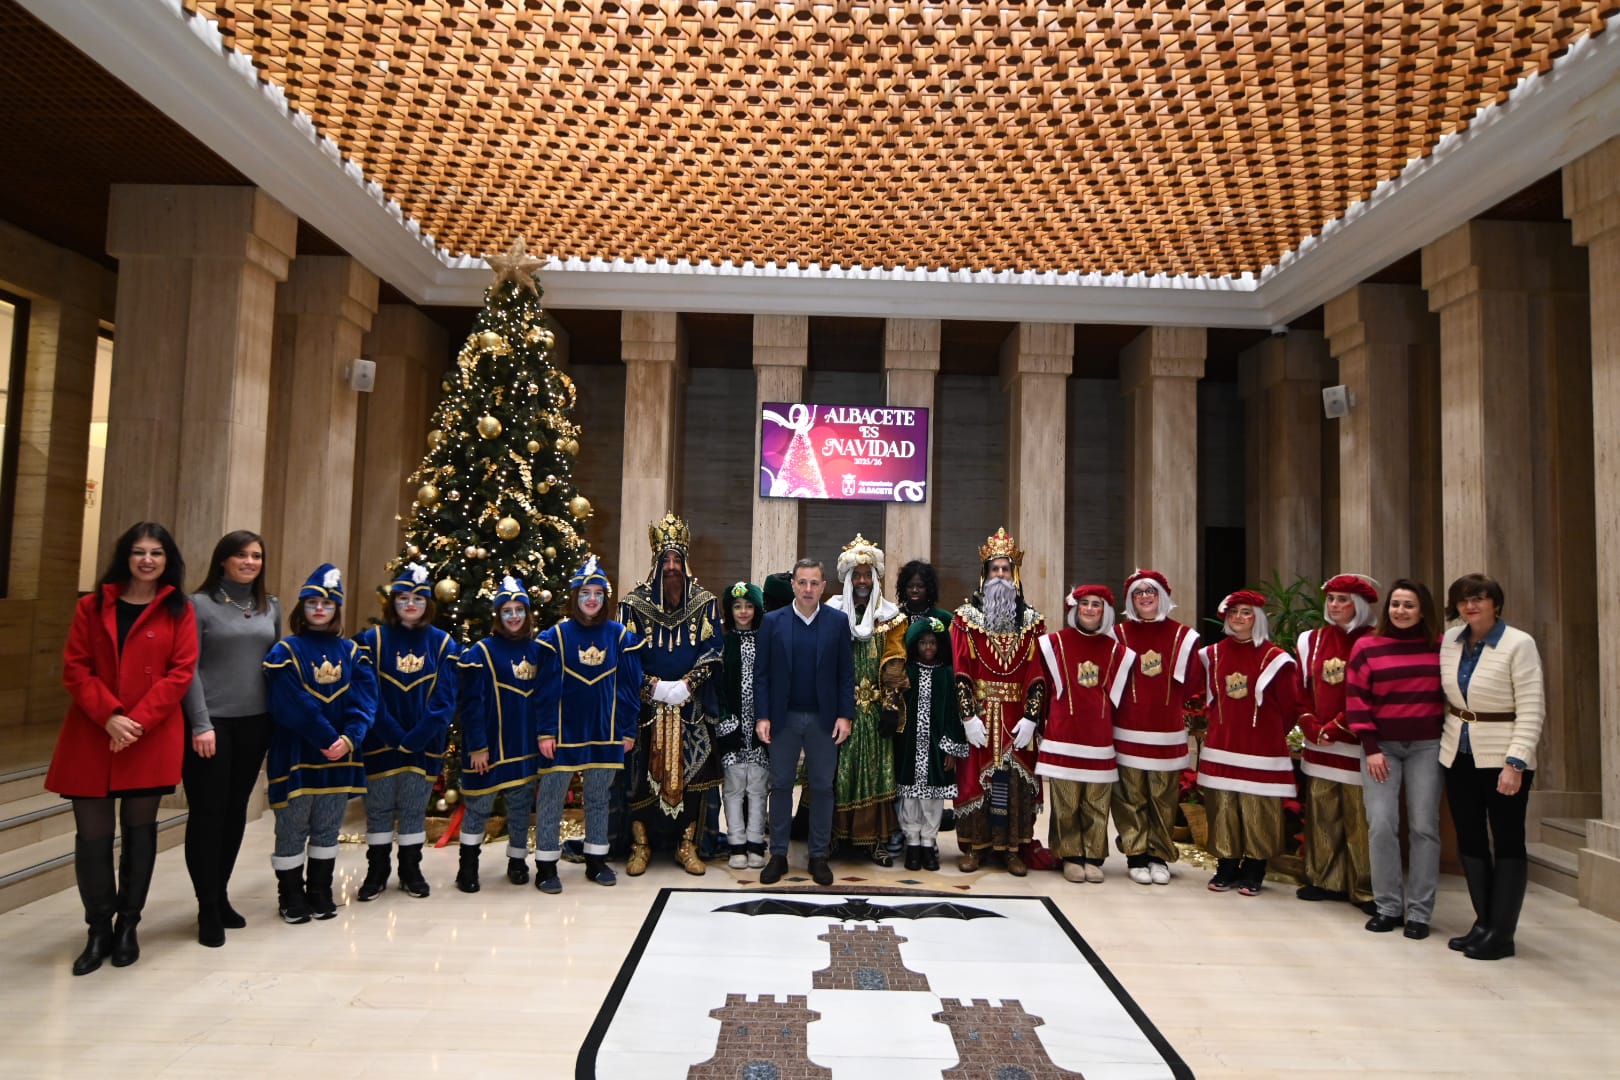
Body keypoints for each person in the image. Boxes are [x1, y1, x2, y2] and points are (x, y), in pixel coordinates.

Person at [48, 522, 197, 975]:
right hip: (93, 733)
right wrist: (111, 715)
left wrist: (136, 722)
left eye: (156, 552)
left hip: (147, 737)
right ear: (125, 557)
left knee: (139, 834)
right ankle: (98, 928)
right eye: (138, 552)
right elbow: (75, 668)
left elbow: (182, 671)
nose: (147, 560)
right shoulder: (91, 606)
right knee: (92, 839)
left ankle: (129, 925)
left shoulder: (179, 609)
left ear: (167, 560)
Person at [1439, 573, 1545, 961]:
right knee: (1469, 838)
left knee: (1508, 838)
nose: (1472, 606)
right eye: (1465, 600)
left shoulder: (1519, 643)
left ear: (1495, 604)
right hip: (1458, 754)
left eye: (1480, 599)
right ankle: (1483, 923)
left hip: (1503, 757)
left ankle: (1502, 933)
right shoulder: (1451, 641)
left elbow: (1532, 707)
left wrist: (1515, 762)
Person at [181, 529, 279, 947]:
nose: (249, 562)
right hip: (212, 725)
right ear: (222, 560)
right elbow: (188, 669)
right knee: (208, 814)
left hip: (255, 723)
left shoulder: (269, 606)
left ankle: (220, 893)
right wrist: (200, 723)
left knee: (235, 811)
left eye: (256, 555)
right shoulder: (197, 605)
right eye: (240, 555)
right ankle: (205, 905)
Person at [263, 564, 376, 924]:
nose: (319, 610)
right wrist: (328, 737)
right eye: (312, 603)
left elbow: (365, 700)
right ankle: (290, 894)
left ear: (336, 610)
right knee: (293, 826)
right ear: (302, 608)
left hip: (339, 756)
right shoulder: (285, 651)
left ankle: (320, 890)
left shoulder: (352, 652)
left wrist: (350, 738)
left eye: (326, 604)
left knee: (329, 827)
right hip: (297, 754)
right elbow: (290, 702)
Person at [616, 513, 724, 876]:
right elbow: (625, 656)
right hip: (646, 710)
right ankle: (640, 844)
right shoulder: (633, 605)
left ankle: (687, 844)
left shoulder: (705, 603)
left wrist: (687, 685)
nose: (673, 567)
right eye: (667, 560)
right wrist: (654, 687)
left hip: (690, 710)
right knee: (639, 778)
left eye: (678, 559)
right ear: (656, 563)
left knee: (694, 778)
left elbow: (714, 650)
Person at [533, 556, 644, 892]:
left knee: (598, 798)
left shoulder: (621, 636)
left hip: (605, 733)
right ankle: (546, 865)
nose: (592, 599)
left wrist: (626, 730)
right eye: (585, 593)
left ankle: (596, 861)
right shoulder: (556, 636)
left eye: (597, 593)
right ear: (575, 597)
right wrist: (546, 731)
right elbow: (546, 690)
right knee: (551, 799)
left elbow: (628, 688)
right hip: (563, 736)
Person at [1345, 579, 1445, 940]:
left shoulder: (1440, 647)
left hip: (1427, 747)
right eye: (1396, 604)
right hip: (1381, 749)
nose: (1400, 611)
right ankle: (1388, 906)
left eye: (1409, 605)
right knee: (1382, 824)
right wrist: (1371, 747)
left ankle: (1419, 911)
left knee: (1423, 827)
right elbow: (1356, 699)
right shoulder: (1367, 647)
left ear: (1423, 611)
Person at [353, 563, 459, 902]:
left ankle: (411, 870)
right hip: (380, 742)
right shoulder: (372, 641)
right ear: (393, 602)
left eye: (418, 598)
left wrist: (416, 737)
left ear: (428, 603)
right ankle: (377, 870)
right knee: (380, 810)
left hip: (422, 744)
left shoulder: (443, 644)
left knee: (414, 810)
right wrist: (391, 733)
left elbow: (445, 699)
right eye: (403, 598)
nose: (410, 604)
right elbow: (367, 693)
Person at [950, 528, 1047, 875]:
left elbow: (1039, 674)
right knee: (977, 781)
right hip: (980, 715)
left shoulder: (1033, 622)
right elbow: (960, 670)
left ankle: (1012, 849)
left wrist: (1033, 718)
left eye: (1006, 570)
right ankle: (975, 848)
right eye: (995, 570)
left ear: (1015, 574)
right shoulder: (964, 619)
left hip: (1017, 716)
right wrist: (967, 717)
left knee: (1014, 784)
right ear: (985, 574)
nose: (1001, 576)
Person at [754, 557, 856, 887]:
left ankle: (818, 856)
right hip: (783, 719)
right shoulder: (772, 622)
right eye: (802, 582)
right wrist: (763, 716)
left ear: (824, 586)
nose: (808, 589)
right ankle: (779, 854)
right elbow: (762, 675)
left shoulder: (838, 622)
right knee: (781, 784)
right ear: (794, 585)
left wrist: (845, 715)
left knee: (824, 787)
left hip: (824, 720)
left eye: (814, 583)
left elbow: (845, 675)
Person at [1197, 590, 1300, 896]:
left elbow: (1290, 706)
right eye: (1233, 612)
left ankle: (1255, 869)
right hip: (1222, 742)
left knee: (1259, 810)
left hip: (1261, 747)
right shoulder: (1212, 654)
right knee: (1223, 807)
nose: (1238, 618)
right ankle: (1226, 866)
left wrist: (1268, 733)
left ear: (1258, 618)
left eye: (1245, 612)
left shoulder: (1276, 659)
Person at [1110, 569, 1202, 885]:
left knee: (1163, 798)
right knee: (1129, 796)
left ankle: (1159, 855)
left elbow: (1193, 685)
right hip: (1127, 729)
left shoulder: (1185, 637)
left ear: (1162, 596)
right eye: (1138, 593)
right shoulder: (1116, 635)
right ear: (1130, 600)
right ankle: (1136, 854)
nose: (1145, 597)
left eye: (1150, 592)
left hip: (1166, 732)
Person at [1037, 585, 1134, 883]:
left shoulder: (1119, 651)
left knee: (1096, 800)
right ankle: (1069, 854)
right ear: (1075, 608)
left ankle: (1093, 855)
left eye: (1097, 605)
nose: (1090, 609)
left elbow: (1120, 701)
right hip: (1064, 732)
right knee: (1066, 801)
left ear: (1105, 611)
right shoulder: (1053, 644)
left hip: (1099, 735)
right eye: (1085, 604)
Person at [1294, 574, 1379, 910]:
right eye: (1330, 599)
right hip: (1320, 745)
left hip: (1359, 746)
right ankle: (1325, 879)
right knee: (1322, 815)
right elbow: (1299, 690)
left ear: (1357, 604)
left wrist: (1338, 726)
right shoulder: (1310, 640)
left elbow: (1373, 693)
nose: (1335, 605)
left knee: (1361, 819)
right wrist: (1310, 725)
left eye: (1342, 599)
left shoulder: (1374, 641)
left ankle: (1366, 887)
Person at [454, 575, 544, 893]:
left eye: (519, 610)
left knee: (520, 808)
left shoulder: (538, 650)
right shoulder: (480, 652)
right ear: (498, 616)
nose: (514, 616)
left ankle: (517, 861)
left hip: (524, 747)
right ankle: (468, 865)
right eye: (507, 611)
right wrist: (478, 746)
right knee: (478, 807)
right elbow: (471, 705)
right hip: (489, 749)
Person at [824, 534, 905, 865]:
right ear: (846, 578)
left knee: (874, 775)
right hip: (837, 711)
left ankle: (875, 841)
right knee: (832, 774)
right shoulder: (831, 614)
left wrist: (890, 705)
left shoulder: (890, 617)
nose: (861, 580)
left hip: (874, 711)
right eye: (856, 575)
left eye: (867, 575)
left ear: (875, 578)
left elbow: (895, 660)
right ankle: (830, 838)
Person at [888, 616, 969, 871]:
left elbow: (953, 714)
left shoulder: (946, 674)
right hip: (909, 747)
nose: (928, 648)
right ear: (914, 645)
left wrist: (951, 747)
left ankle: (928, 842)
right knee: (909, 797)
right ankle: (912, 842)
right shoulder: (907, 672)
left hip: (935, 748)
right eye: (922, 642)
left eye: (933, 643)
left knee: (933, 800)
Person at [716, 581, 769, 869]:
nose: (744, 612)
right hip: (732, 730)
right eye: (737, 607)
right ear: (730, 610)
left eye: (749, 606)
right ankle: (736, 843)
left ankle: (756, 842)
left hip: (761, 731)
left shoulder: (766, 641)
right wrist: (724, 718)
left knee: (758, 789)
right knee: (734, 788)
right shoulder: (724, 644)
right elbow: (718, 687)